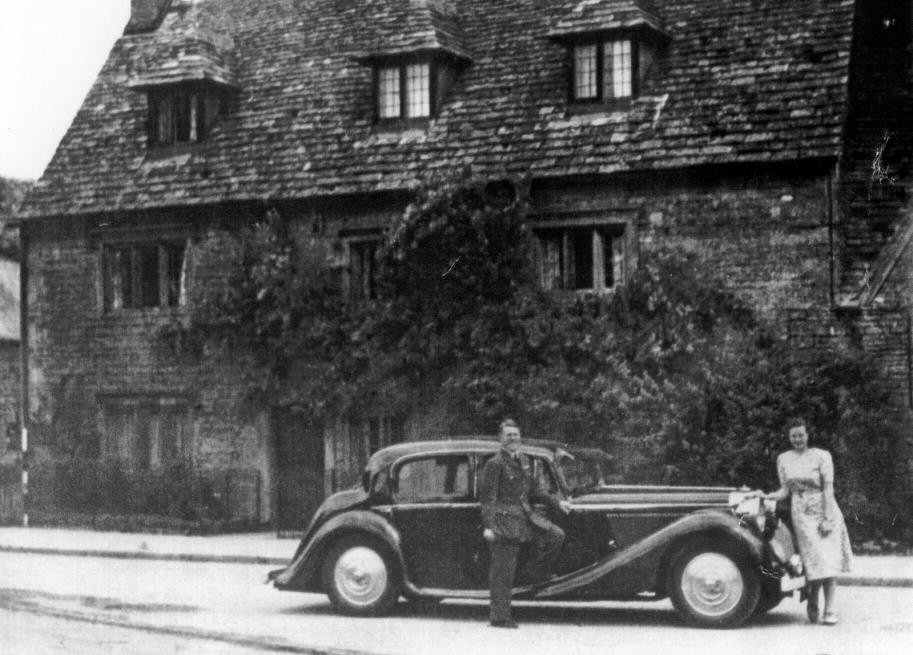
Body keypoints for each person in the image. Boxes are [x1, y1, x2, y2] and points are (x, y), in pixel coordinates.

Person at [758, 417, 852, 625]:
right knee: (814, 560)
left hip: (824, 508)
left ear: (807, 435)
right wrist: (767, 497)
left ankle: (829, 609)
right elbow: (785, 491)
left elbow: (828, 488)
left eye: (801, 435)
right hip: (801, 513)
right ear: (789, 438)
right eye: (794, 436)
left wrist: (828, 518)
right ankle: (813, 596)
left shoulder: (822, 456)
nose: (798, 439)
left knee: (829, 561)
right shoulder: (784, 458)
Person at [478, 419, 570, 628]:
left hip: (526, 517)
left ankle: (531, 575)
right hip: (505, 521)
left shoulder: (525, 460)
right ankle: (499, 617)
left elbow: (535, 491)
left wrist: (558, 503)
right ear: (501, 439)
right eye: (508, 435)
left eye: (516, 435)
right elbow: (488, 499)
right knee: (503, 570)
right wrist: (489, 527)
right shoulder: (495, 464)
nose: (513, 438)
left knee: (556, 536)